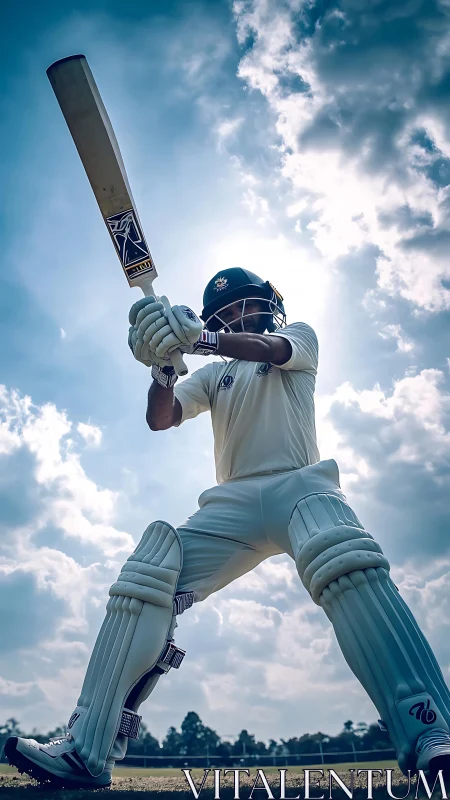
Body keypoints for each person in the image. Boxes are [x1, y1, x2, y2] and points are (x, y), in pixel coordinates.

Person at [5, 268, 450, 788]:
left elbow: (270, 349)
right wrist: (165, 367)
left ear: (266, 307)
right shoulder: (215, 376)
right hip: (232, 503)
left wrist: (204, 338)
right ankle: (87, 747)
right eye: (227, 312)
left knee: (343, 558)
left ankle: (429, 731)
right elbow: (162, 418)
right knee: (150, 572)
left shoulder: (297, 337)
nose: (238, 315)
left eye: (246, 307)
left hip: (300, 485)